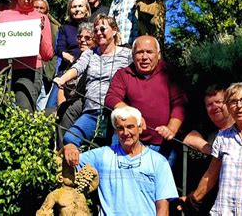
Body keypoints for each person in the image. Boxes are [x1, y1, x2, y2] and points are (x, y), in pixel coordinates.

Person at [62, 106, 178, 215]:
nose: (126, 133)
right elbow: (67, 161)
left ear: (140, 128)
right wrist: (69, 147)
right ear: (116, 131)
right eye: (120, 128)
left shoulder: (158, 162)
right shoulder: (102, 155)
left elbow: (163, 206)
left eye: (130, 126)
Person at [179, 82, 242, 215]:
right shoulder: (223, 137)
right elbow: (210, 175)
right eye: (233, 102)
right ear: (228, 107)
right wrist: (191, 200)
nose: (239, 106)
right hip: (225, 211)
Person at [104, 35, 186, 167]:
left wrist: (171, 128)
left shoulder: (170, 73)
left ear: (158, 55)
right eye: (139, 52)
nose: (144, 57)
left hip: (163, 145)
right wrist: (133, 115)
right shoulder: (123, 74)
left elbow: (180, 103)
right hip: (129, 142)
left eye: (149, 52)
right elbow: (111, 98)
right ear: (133, 55)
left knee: (159, 185)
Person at [54, 14, 132, 147]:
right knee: (70, 139)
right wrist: (63, 79)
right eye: (96, 30)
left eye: (103, 29)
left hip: (116, 114)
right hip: (91, 111)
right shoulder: (90, 53)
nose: (99, 33)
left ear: (114, 31)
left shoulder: (127, 54)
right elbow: (78, 68)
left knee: (115, 150)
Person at [0, 0, 53, 111]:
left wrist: (39, 37)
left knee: (25, 110)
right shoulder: (4, 16)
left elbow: (48, 55)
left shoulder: (42, 18)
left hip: (30, 70)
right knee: (0, 109)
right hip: (5, 70)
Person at [56, 22, 95, 148]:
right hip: (70, 101)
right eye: (80, 37)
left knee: (68, 111)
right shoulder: (75, 60)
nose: (82, 40)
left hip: (87, 102)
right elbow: (63, 88)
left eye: (87, 38)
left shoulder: (95, 57)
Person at [183, 85, 234, 155]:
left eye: (218, 102)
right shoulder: (209, 126)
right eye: (209, 105)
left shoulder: (240, 123)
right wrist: (213, 151)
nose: (214, 107)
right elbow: (189, 138)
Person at [56, 0, 91, 75]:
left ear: (86, 9)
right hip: (68, 67)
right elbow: (60, 48)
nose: (77, 9)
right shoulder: (64, 28)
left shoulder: (92, 26)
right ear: (69, 10)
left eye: (80, 6)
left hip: (88, 68)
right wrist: (66, 55)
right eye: (74, 7)